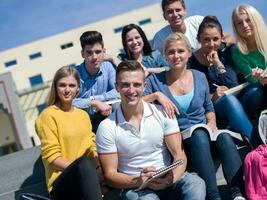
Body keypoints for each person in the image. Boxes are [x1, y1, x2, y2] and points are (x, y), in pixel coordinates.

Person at [144, 33, 245, 200]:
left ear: (189, 53)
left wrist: (211, 120)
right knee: (199, 135)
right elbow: (136, 103)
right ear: (165, 55)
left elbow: (208, 106)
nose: (176, 56)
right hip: (179, 141)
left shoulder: (200, 76)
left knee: (225, 137)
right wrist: (157, 96)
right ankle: (214, 197)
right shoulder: (156, 80)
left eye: (180, 51)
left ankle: (237, 194)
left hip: (205, 136)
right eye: (171, 52)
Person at [96, 60, 206, 200]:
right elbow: (110, 175)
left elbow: (180, 156)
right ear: (117, 87)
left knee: (196, 184)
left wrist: (170, 179)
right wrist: (138, 180)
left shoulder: (163, 113)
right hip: (136, 187)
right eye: (125, 85)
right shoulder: (107, 127)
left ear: (144, 86)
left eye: (136, 84)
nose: (131, 90)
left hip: (167, 177)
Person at [188, 16, 258, 147]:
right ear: (198, 40)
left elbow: (233, 85)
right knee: (228, 100)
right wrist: (212, 96)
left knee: (256, 89)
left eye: (215, 39)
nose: (212, 44)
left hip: (239, 100)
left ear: (221, 37)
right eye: (206, 40)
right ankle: (257, 145)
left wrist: (218, 63)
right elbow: (193, 96)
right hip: (214, 109)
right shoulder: (191, 63)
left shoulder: (227, 53)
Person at [35, 66, 103, 200]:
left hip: (87, 176)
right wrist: (84, 172)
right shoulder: (48, 116)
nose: (67, 90)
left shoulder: (83, 115)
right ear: (55, 87)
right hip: (61, 184)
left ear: (78, 89)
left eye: (72, 85)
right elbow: (52, 158)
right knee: (83, 164)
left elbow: (92, 147)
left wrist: (99, 170)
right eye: (62, 85)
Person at [72, 31, 120, 133]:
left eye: (98, 52)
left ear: (104, 52)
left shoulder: (108, 67)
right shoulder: (74, 74)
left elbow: (118, 92)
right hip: (81, 124)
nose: (94, 57)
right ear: (82, 54)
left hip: (106, 118)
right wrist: (94, 103)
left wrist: (95, 99)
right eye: (89, 53)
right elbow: (69, 102)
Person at [231, 4, 267, 117]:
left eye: (248, 20)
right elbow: (251, 79)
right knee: (255, 89)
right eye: (239, 23)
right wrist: (260, 77)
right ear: (235, 27)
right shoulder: (237, 52)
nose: (245, 25)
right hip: (257, 92)